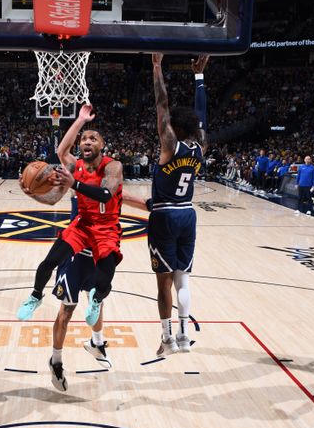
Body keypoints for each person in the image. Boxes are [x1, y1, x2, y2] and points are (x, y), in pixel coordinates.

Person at [17, 104, 124, 330]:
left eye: (93, 138)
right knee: (49, 262)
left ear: (102, 145)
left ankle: (95, 301)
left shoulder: (113, 166)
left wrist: (74, 183)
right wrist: (80, 120)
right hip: (82, 225)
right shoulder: (75, 167)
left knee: (104, 282)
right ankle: (35, 296)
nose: (87, 141)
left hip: (107, 229)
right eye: (84, 138)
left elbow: (105, 195)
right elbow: (54, 192)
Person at [148, 53, 209, 356]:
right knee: (182, 277)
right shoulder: (200, 147)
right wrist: (199, 78)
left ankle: (166, 337)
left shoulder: (170, 144)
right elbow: (202, 117)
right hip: (188, 214)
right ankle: (184, 336)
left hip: (164, 216)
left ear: (176, 127)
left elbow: (162, 105)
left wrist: (157, 67)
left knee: (163, 284)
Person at [47, 249, 109, 391]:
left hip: (96, 255)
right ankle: (55, 361)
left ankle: (96, 342)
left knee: (97, 302)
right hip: (75, 255)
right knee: (67, 311)